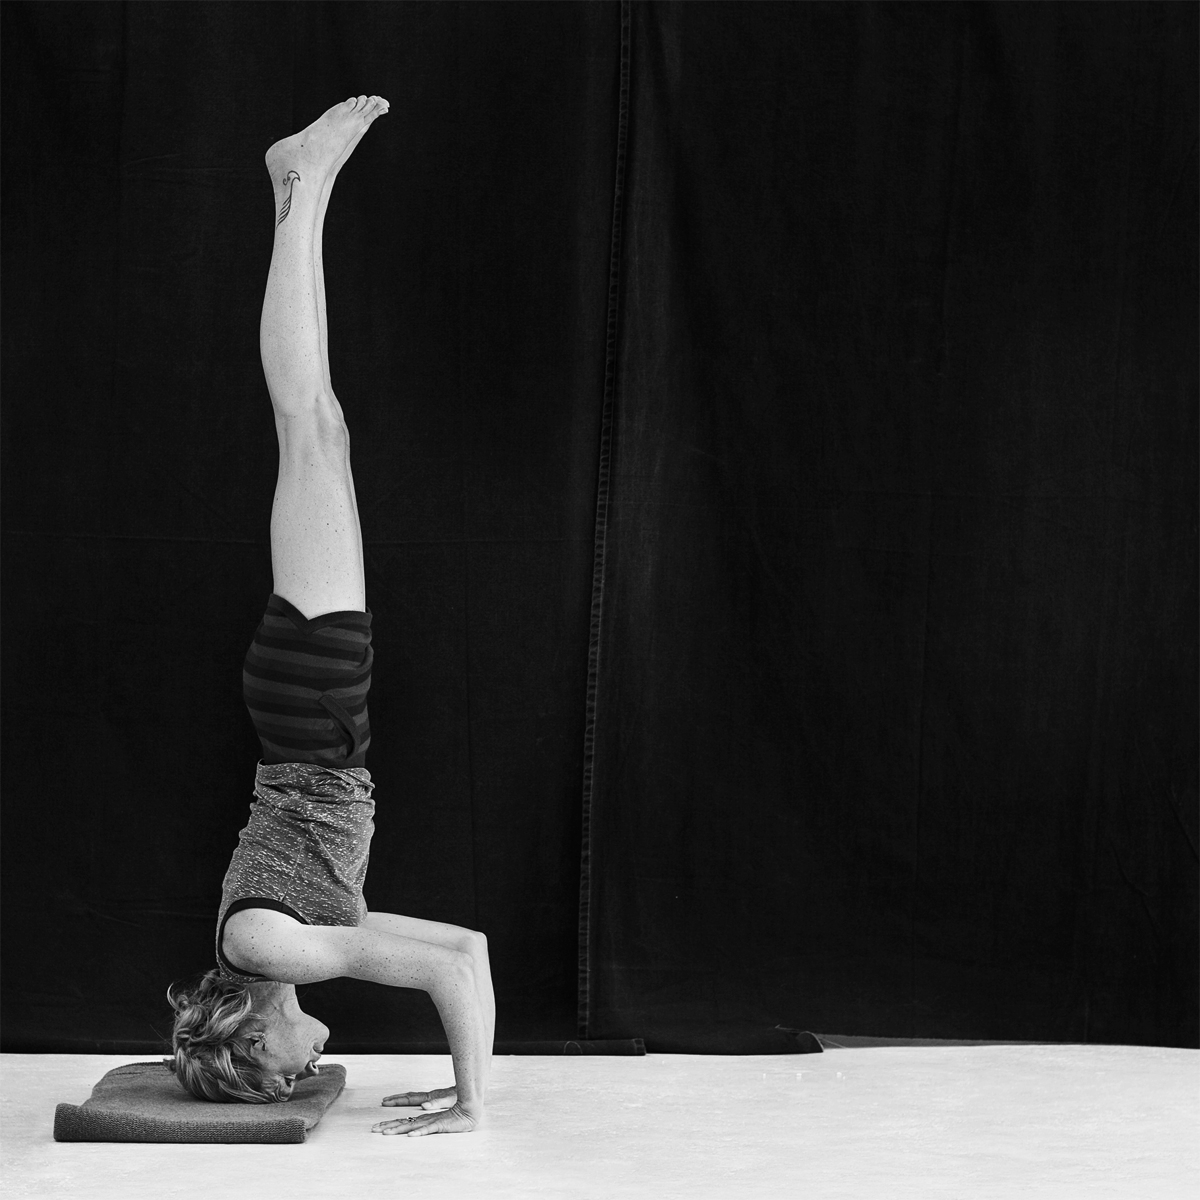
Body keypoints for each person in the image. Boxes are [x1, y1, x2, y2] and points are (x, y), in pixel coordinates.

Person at [166, 96, 493, 1137]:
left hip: (309, 714)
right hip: (317, 720)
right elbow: (466, 954)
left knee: (305, 422)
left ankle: (299, 184)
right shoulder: (295, 938)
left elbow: (435, 976)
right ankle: (302, 187)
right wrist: (465, 1085)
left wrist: (470, 1108)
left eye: (276, 1076)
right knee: (323, 427)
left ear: (249, 1035)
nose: (306, 1069)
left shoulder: (267, 949)